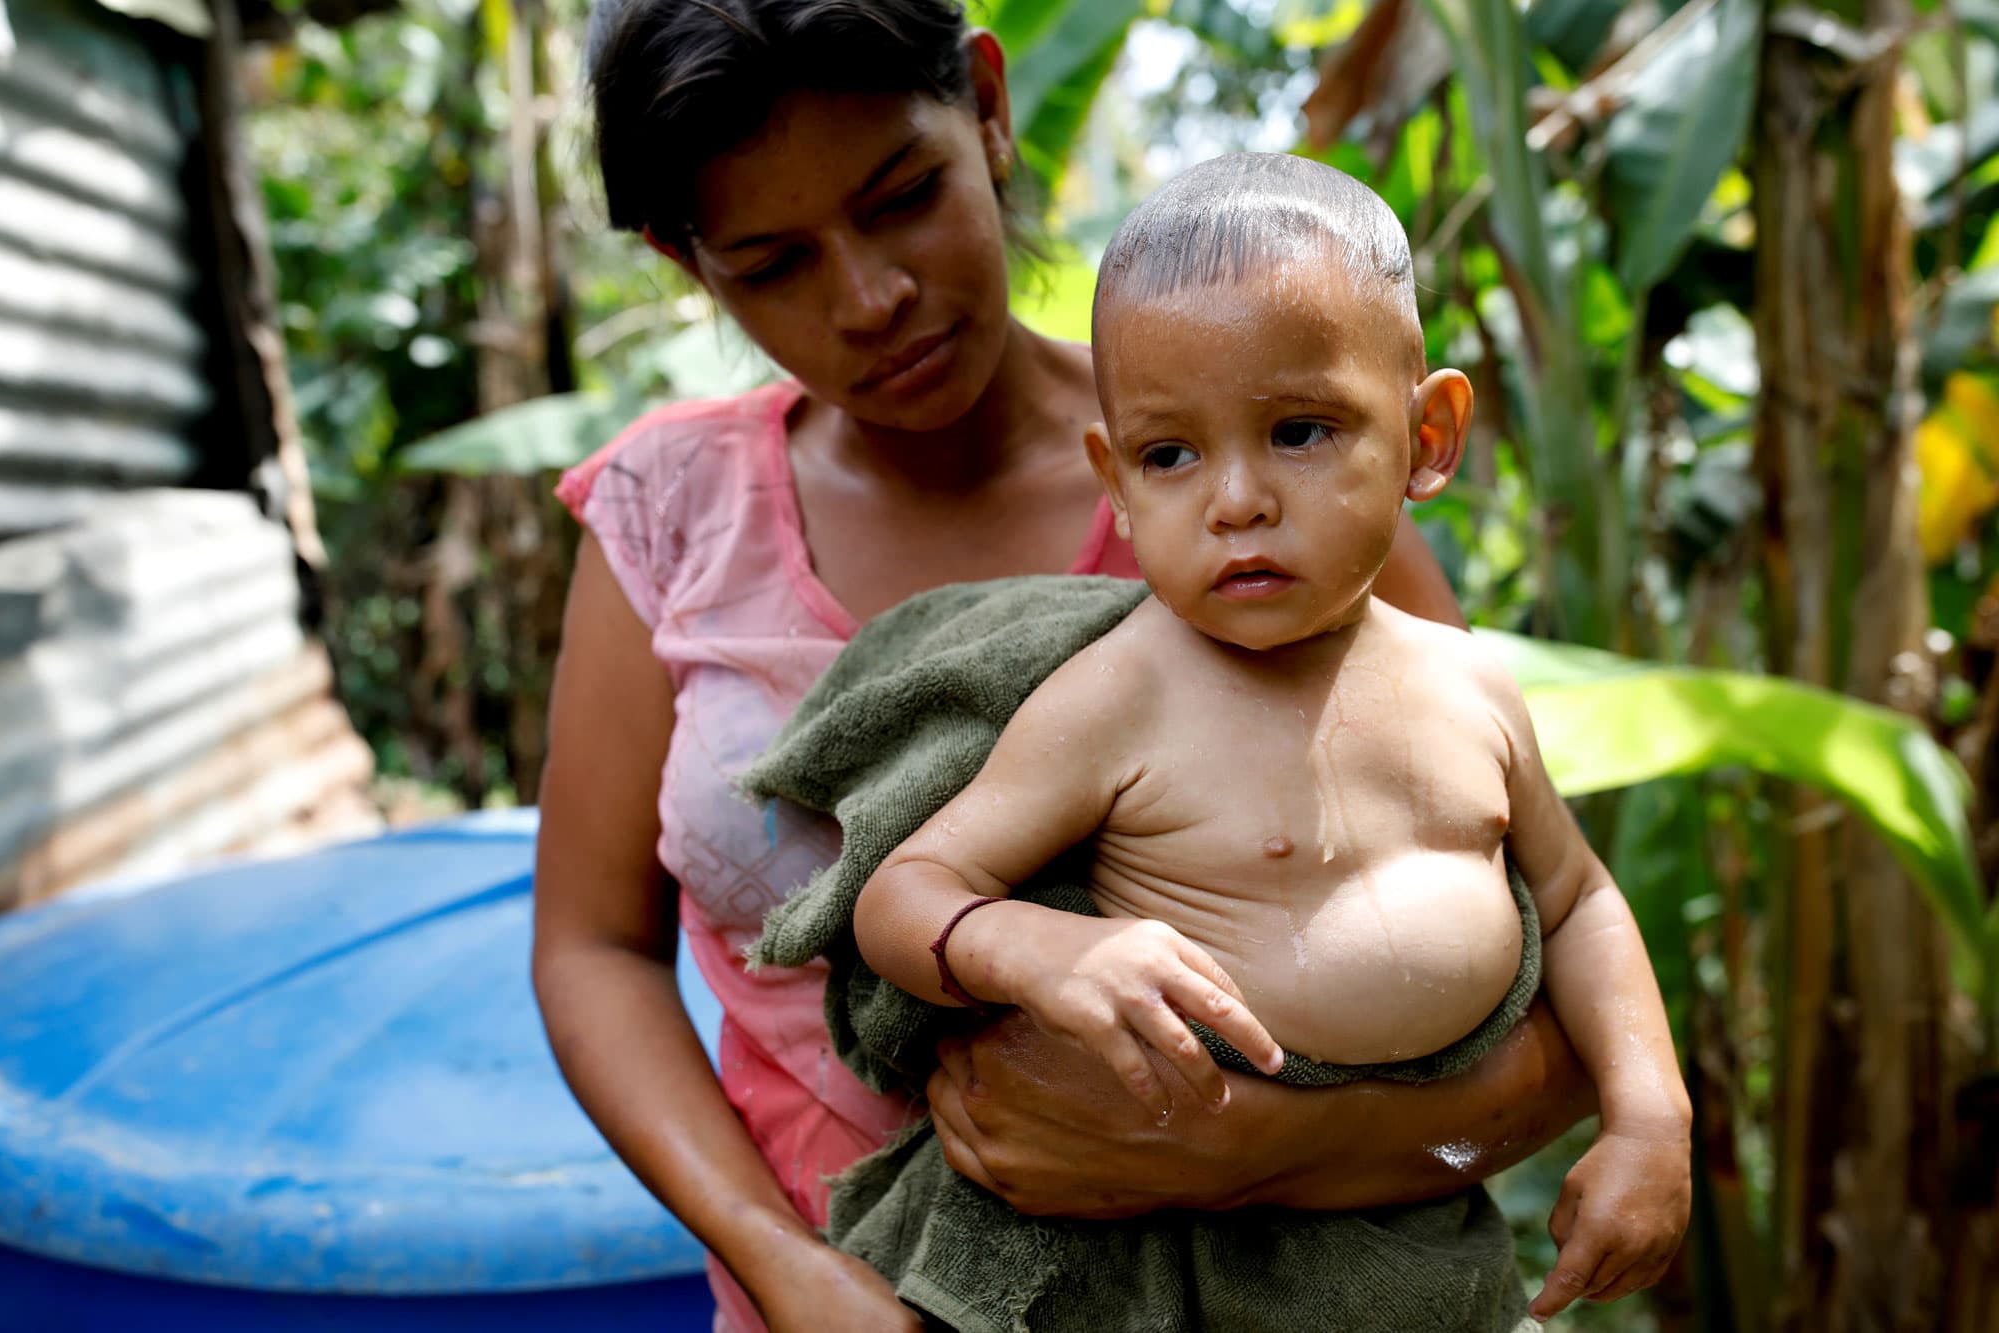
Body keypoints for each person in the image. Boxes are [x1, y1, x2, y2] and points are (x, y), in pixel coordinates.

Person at [531, 3, 1596, 1329]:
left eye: (905, 196)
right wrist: (781, 1262)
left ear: (986, 105)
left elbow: (1555, 1029)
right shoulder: (667, 516)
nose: (871, 297)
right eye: (772, 263)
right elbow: (594, 950)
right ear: (688, 267)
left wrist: (1254, 1150)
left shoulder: (1269, 494)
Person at [849, 152, 1693, 1327]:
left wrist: (1650, 1117)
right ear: (1115, 482)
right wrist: (1040, 949)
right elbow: (902, 894)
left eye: (1299, 430)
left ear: (1427, 436)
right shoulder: (1119, 696)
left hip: (1411, 1227)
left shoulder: (1470, 686)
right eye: (1169, 455)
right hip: (1179, 1264)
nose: (1233, 500)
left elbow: (1578, 900)